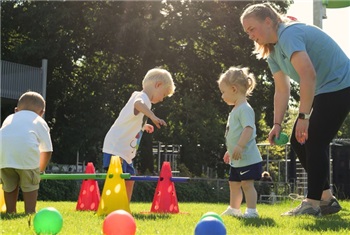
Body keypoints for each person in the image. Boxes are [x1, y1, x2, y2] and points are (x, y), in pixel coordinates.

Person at [240, 3, 350, 216]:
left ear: (268, 21)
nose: (250, 35)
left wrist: (303, 116)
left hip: (342, 84)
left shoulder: (289, 34)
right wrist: (277, 124)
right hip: (324, 89)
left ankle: (312, 203)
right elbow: (282, 89)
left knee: (313, 139)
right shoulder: (272, 51)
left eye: (252, 29)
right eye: (246, 32)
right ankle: (326, 199)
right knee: (299, 140)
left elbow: (308, 75)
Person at [102, 68, 175, 202]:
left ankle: (124, 205)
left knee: (130, 178)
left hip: (125, 151)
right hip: (117, 147)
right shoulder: (142, 98)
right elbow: (138, 105)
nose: (162, 99)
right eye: (163, 94)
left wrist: (143, 126)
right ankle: (112, 204)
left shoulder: (143, 100)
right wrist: (152, 116)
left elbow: (133, 117)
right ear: (157, 85)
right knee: (118, 178)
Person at [218, 67, 262, 218]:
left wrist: (239, 146)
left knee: (247, 184)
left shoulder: (244, 109)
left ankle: (252, 211)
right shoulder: (236, 109)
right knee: (234, 184)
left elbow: (248, 129)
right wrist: (230, 151)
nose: (222, 96)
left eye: (223, 92)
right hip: (237, 159)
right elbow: (233, 134)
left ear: (234, 89)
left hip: (248, 158)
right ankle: (234, 209)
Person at [0, 91, 53, 214]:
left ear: (16, 110)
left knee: (9, 186)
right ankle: (30, 212)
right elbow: (47, 150)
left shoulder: (9, 118)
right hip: (26, 158)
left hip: (3, 158)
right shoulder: (39, 121)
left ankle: (10, 211)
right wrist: (40, 170)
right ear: (41, 113)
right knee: (30, 186)